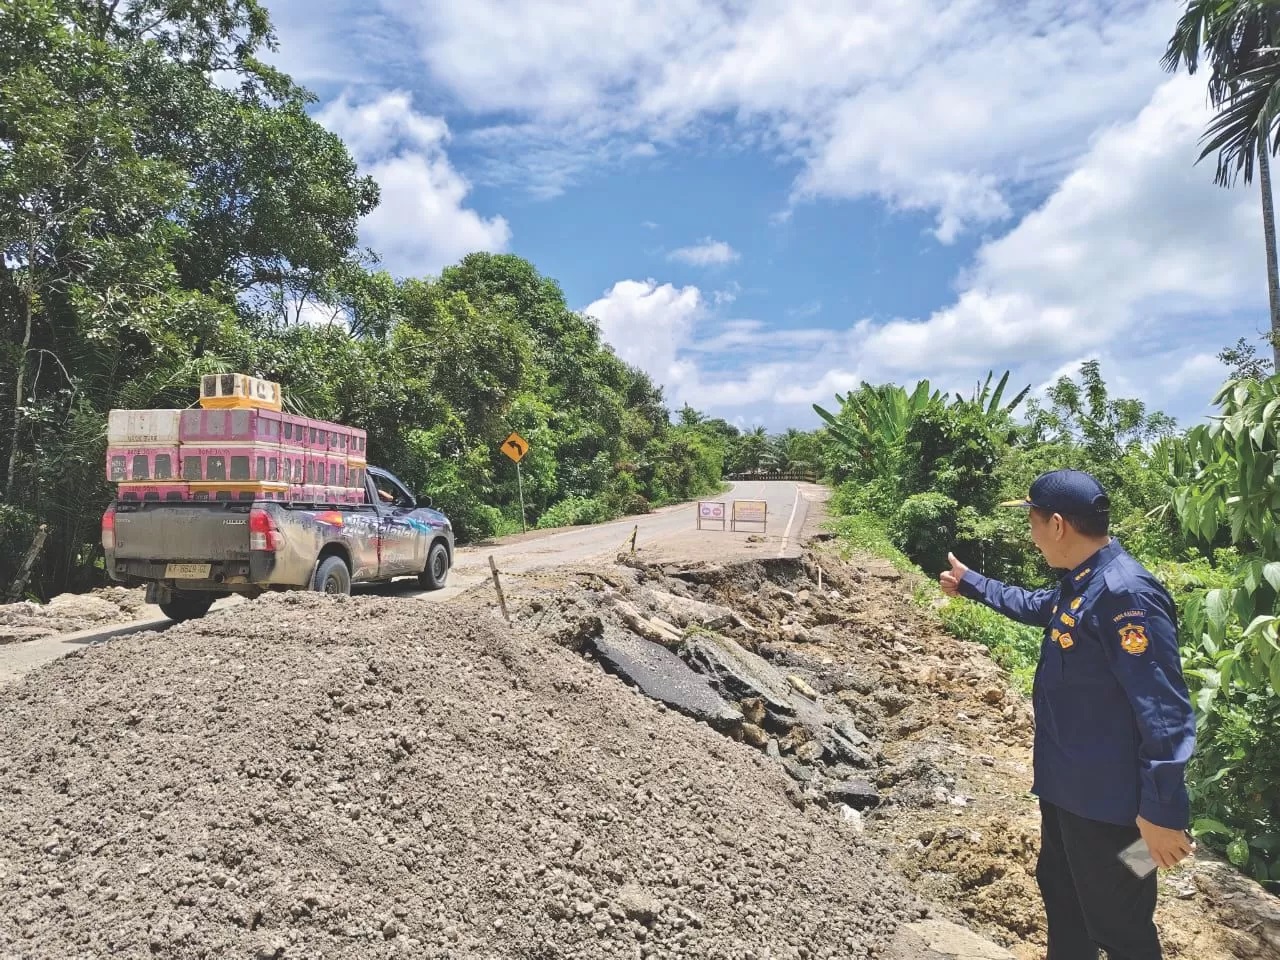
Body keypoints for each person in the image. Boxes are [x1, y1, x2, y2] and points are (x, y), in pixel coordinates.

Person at [939, 468, 1196, 960]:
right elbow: (1037, 605)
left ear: (1056, 525)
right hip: (1068, 791)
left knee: (1119, 923)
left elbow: (1164, 709)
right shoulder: (1083, 582)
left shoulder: (1127, 595)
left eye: (1032, 521)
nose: (1031, 536)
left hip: (1113, 808)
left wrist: (1164, 812)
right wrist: (972, 583)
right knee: (1064, 896)